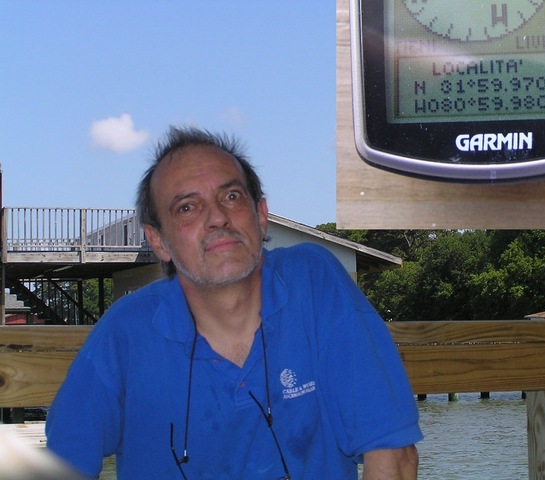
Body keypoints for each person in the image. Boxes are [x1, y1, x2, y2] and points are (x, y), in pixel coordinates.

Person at [46, 126, 423, 479]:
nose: (217, 218)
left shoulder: (314, 281)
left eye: (231, 196)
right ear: (158, 241)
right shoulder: (126, 331)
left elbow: (391, 453)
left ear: (260, 216)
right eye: (187, 208)